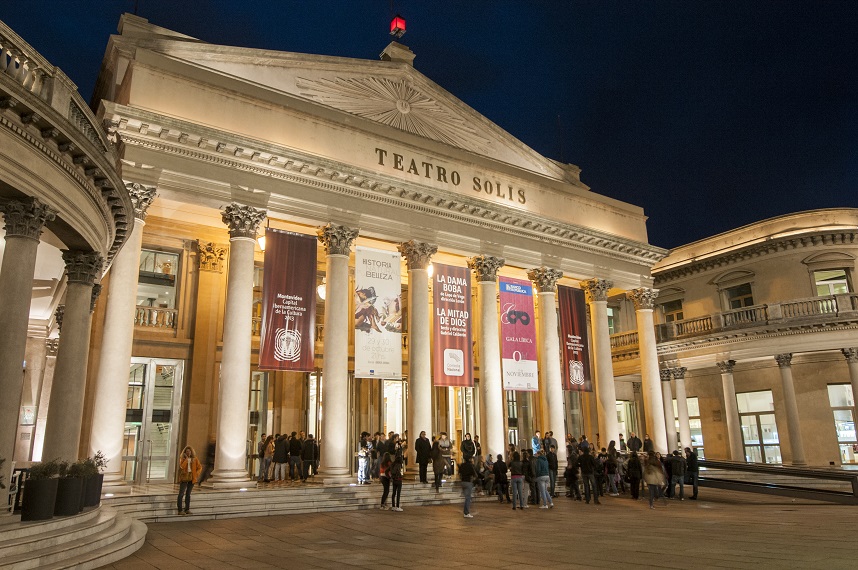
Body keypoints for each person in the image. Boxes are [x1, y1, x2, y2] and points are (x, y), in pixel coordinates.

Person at [177, 446, 202, 515]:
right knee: (181, 493)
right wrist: (186, 460)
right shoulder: (182, 459)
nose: (188, 452)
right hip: (184, 478)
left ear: (191, 452)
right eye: (187, 451)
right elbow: (182, 466)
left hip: (192, 478)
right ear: (185, 452)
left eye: (189, 451)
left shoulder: (195, 459)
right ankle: (180, 510)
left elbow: (200, 467)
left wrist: (196, 474)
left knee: (188, 494)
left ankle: (187, 509)